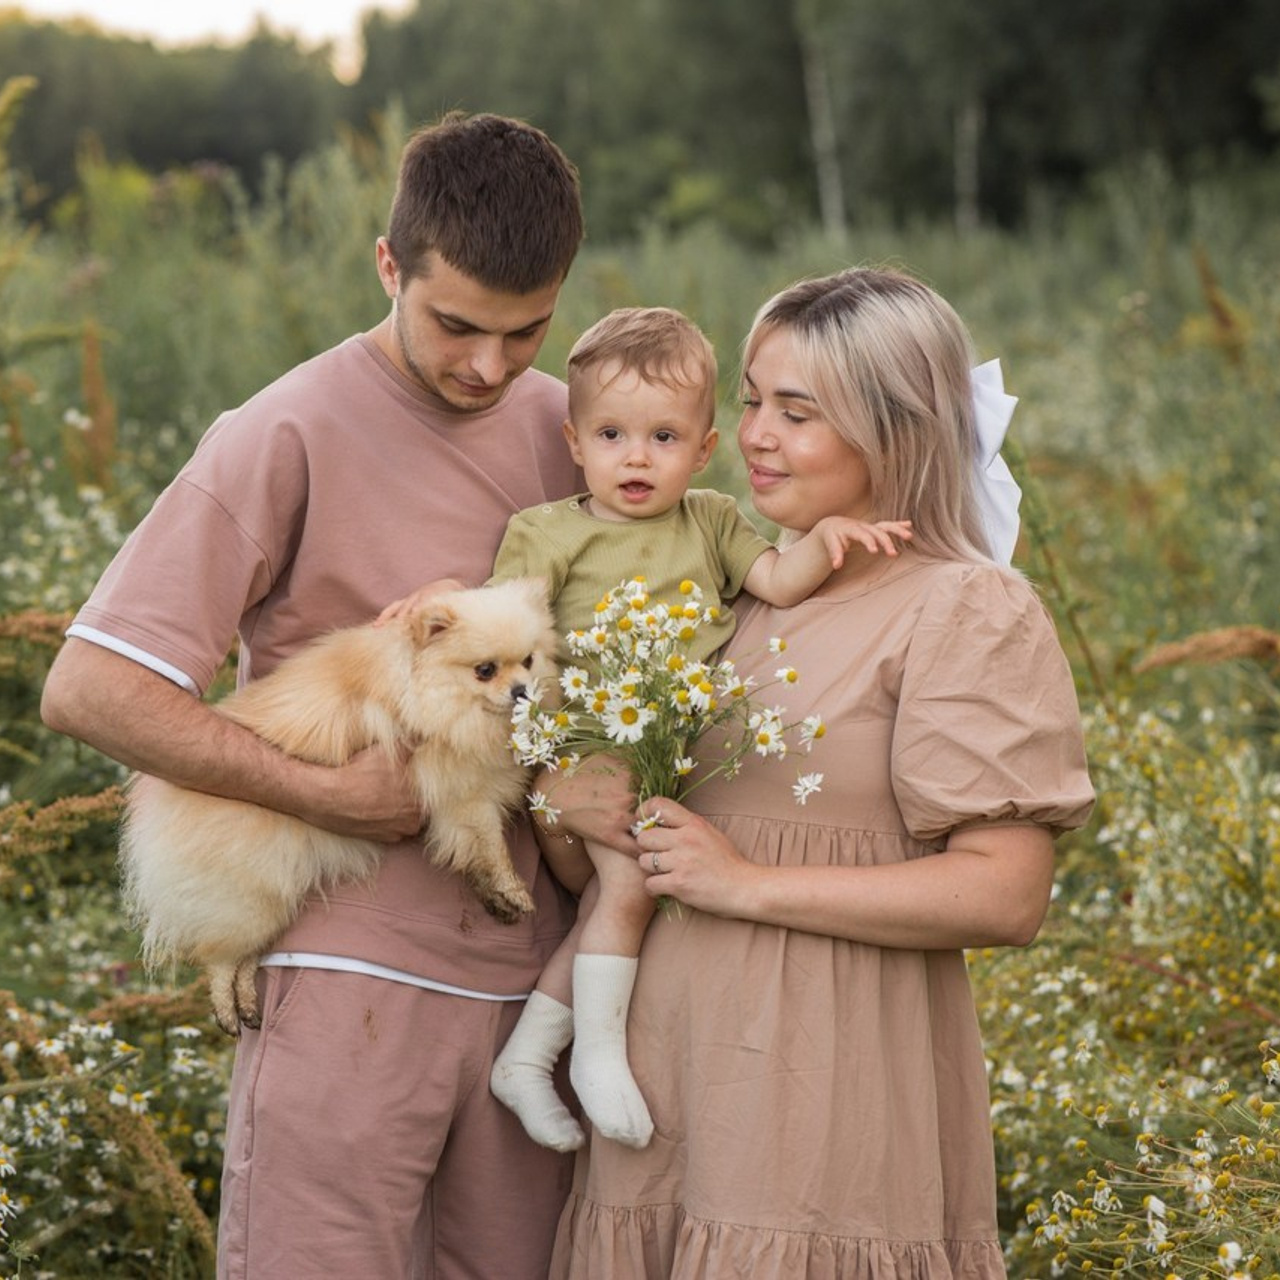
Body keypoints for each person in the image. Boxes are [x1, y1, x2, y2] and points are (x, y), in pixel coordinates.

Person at [40, 112, 594, 1280]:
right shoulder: (282, 429)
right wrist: (330, 795)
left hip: (541, 1002)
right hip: (347, 980)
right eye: (455, 324)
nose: (489, 367)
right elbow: (91, 688)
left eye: (525, 330)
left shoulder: (582, 434)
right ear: (387, 264)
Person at [540, 266, 1096, 1278]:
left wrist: (745, 882)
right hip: (664, 1093)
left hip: (824, 1096)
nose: (751, 433)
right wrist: (564, 808)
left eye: (795, 412)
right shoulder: (732, 594)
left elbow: (1006, 890)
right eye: (752, 399)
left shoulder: (963, 608)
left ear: (897, 429)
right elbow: (629, 859)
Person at [383, 305, 912, 1154]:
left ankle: (526, 1057)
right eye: (613, 435)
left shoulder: (710, 522)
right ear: (574, 440)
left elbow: (775, 580)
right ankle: (596, 1056)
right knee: (628, 892)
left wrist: (826, 538)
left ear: (704, 451)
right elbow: (505, 623)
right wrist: (452, 595)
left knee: (612, 900)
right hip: (589, 740)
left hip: (666, 748)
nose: (637, 457)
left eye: (665, 438)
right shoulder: (547, 531)